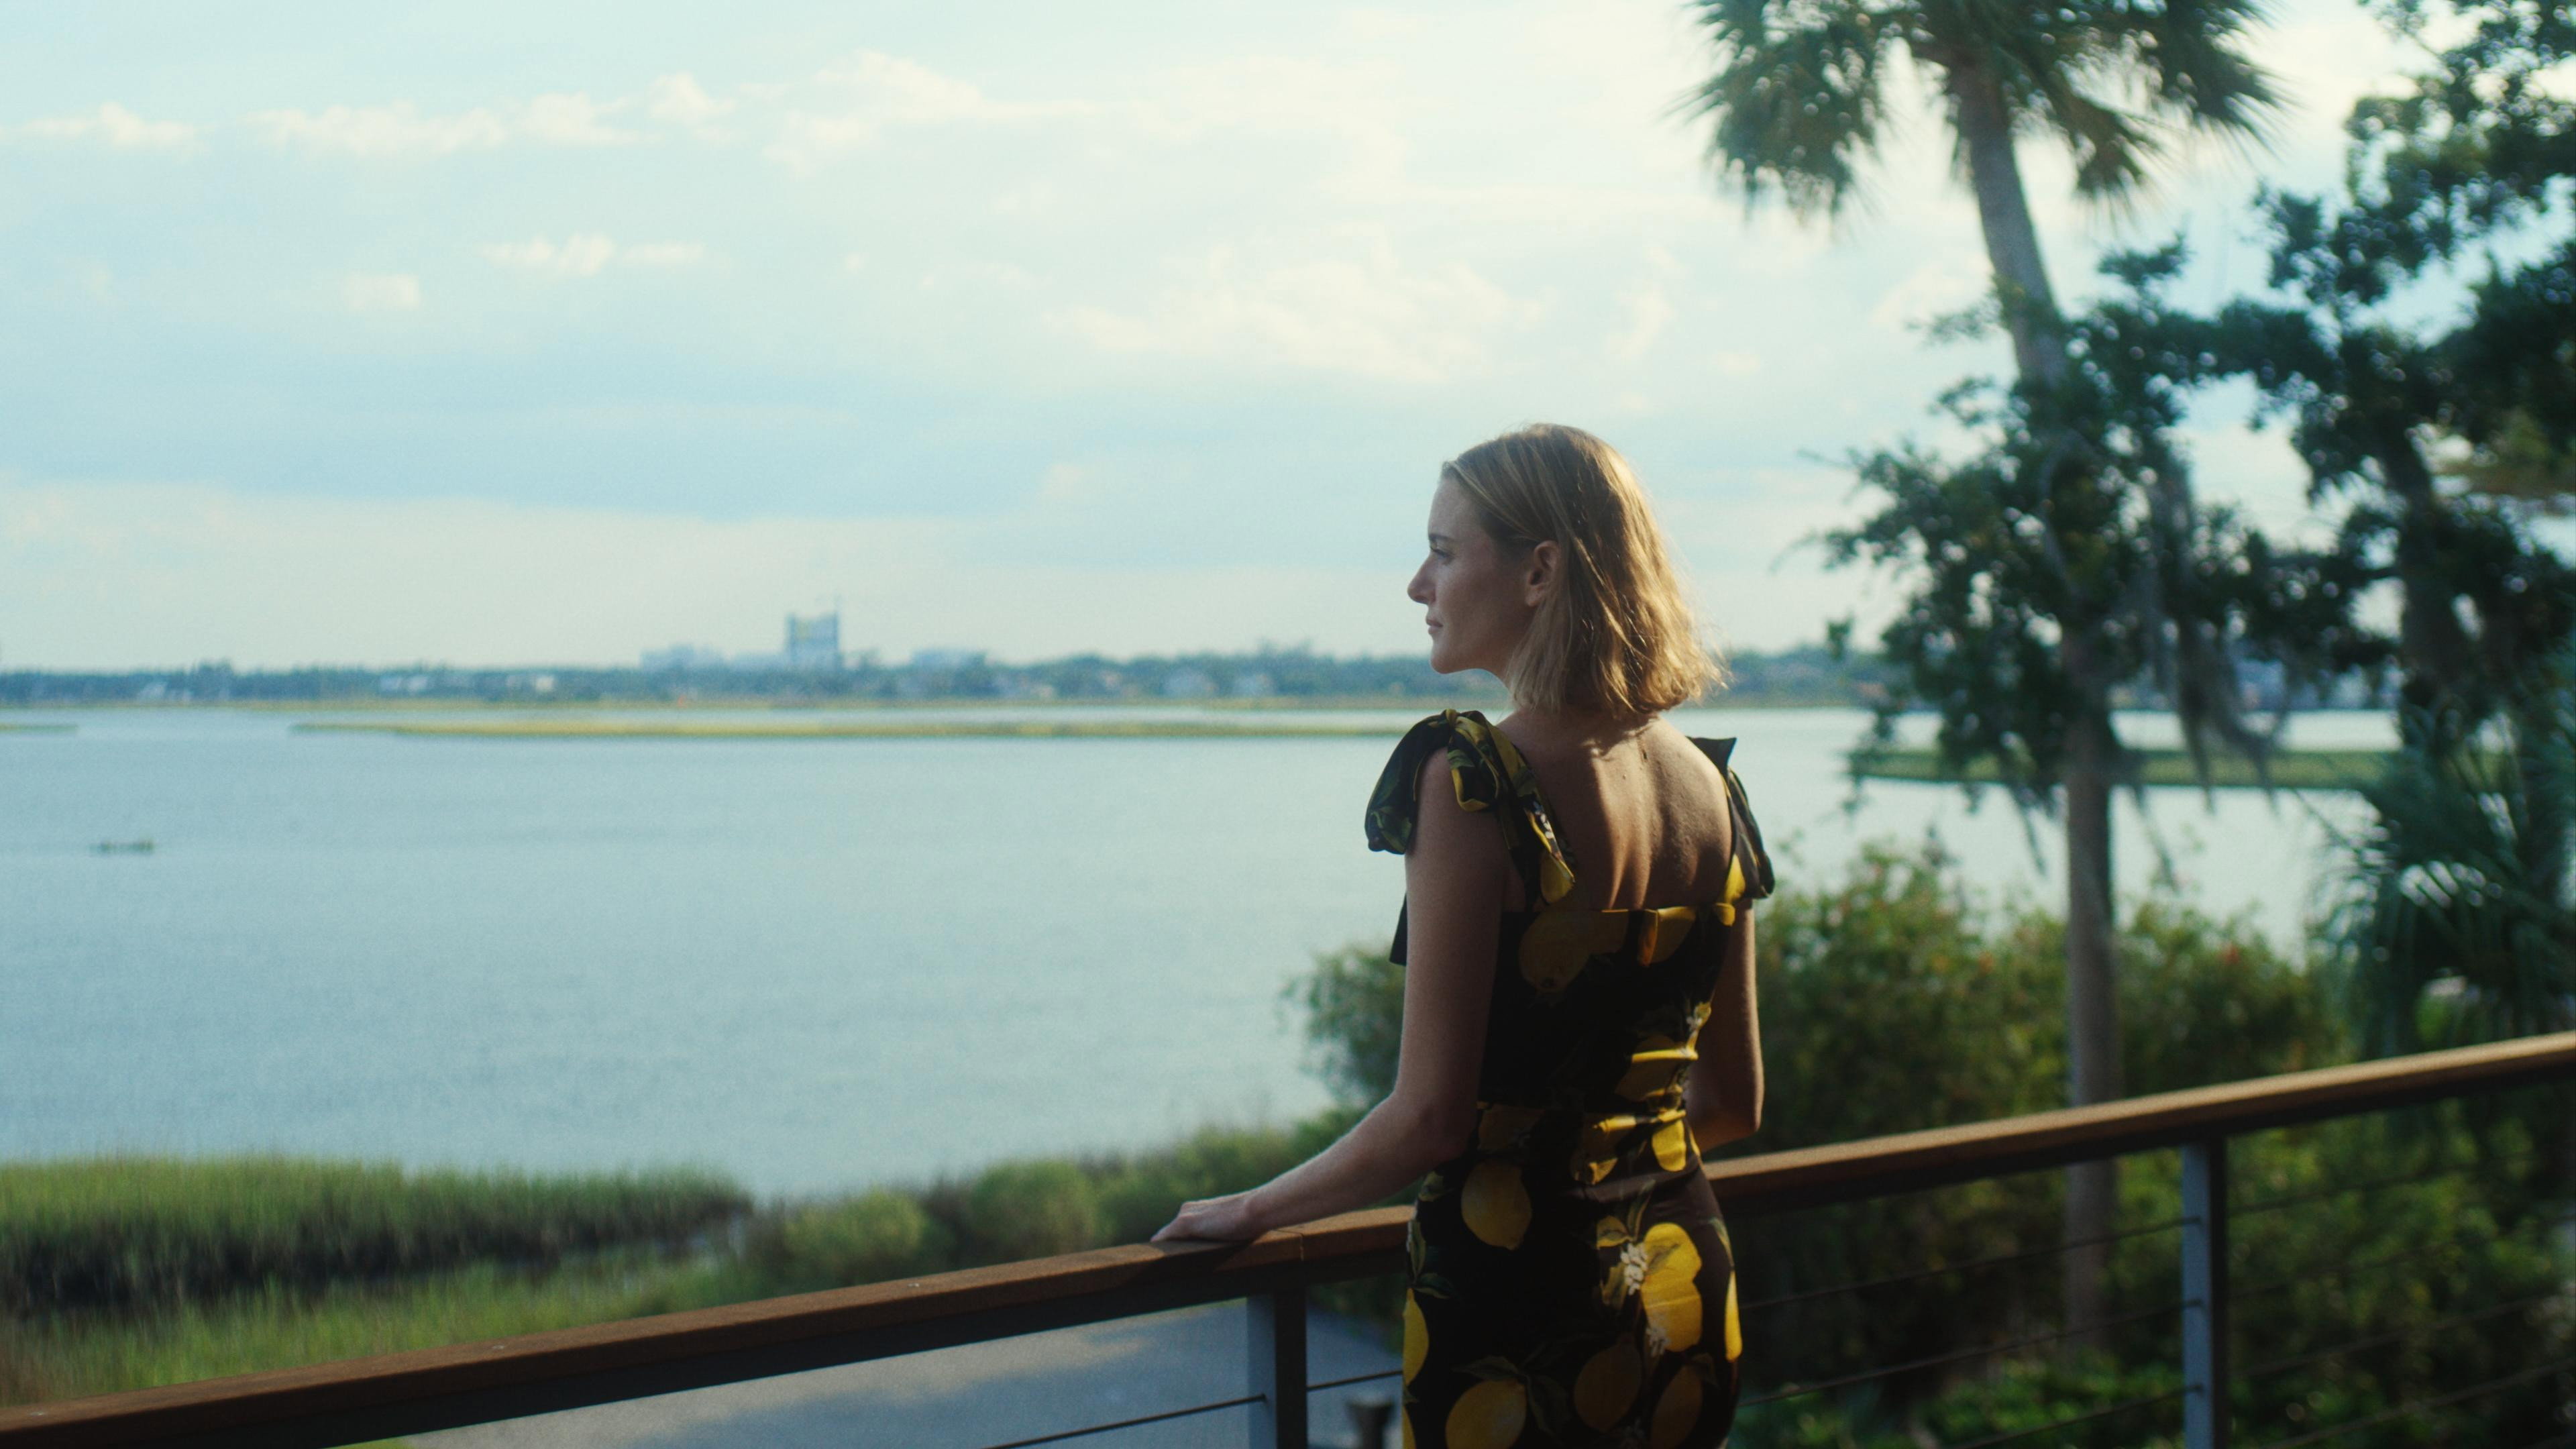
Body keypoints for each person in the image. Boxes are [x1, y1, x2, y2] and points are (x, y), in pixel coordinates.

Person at [1154, 423, 1775, 1449]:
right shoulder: (1711, 788)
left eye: (1443, 553)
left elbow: (1431, 1119)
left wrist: (1253, 1210)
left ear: (1540, 573)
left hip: (1518, 1302)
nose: (1418, 585)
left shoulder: (1474, 783)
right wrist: (1603, 1173)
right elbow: (1732, 1104)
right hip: (1680, 1281)